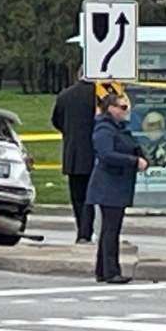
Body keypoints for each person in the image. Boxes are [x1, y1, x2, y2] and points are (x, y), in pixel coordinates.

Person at [86, 92, 148, 284]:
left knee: (109, 229)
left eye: (126, 107)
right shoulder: (104, 129)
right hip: (109, 185)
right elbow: (106, 155)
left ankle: (103, 270)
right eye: (122, 107)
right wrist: (133, 161)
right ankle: (111, 271)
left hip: (117, 184)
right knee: (111, 229)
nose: (126, 111)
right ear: (111, 109)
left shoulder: (119, 128)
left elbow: (127, 145)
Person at [51, 74, 97, 243]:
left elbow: (56, 120)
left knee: (78, 197)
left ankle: (82, 230)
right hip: (94, 152)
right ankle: (86, 231)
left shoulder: (65, 96)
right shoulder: (99, 95)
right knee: (91, 196)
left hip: (73, 153)